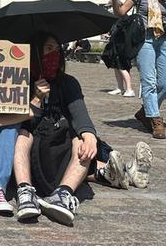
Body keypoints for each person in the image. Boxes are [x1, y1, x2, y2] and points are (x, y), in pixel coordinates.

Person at [12, 33, 153, 225]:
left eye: (55, 49)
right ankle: (25, 191)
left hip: (60, 147)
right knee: (22, 135)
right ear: (35, 54)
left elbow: (79, 115)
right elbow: (17, 119)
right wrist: (36, 98)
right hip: (32, 152)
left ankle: (63, 194)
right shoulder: (21, 82)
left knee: (81, 140)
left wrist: (88, 135)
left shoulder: (68, 82)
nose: (53, 54)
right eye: (47, 49)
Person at [112, 0, 166, 138]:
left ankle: (145, 112)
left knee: (164, 83)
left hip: (164, 40)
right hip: (145, 40)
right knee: (149, 82)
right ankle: (155, 120)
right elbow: (120, 12)